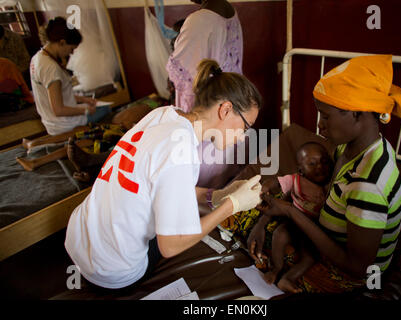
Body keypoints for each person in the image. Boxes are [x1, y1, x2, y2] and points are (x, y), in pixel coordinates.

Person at [64, 59, 263, 291]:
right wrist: (230, 205)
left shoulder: (163, 115)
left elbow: (162, 184)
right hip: (111, 270)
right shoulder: (182, 153)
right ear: (226, 109)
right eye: (246, 127)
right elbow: (170, 246)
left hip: (78, 238)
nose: (242, 137)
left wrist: (216, 195)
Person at [247, 55, 401, 294]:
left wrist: (287, 212)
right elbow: (317, 191)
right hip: (326, 235)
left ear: (358, 114)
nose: (319, 125)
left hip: (349, 275)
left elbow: (358, 268)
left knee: (245, 226)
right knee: (255, 217)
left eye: (325, 116)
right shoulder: (348, 148)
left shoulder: (368, 184)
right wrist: (269, 217)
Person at [220, 142, 332, 287]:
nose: (319, 167)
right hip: (291, 224)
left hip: (311, 230)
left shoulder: (329, 187)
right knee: (279, 235)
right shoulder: (296, 180)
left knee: (310, 257)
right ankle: (276, 269)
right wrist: (264, 188)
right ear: (301, 169)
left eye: (324, 162)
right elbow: (276, 182)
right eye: (312, 163)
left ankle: (288, 279)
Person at [166, 0, 244, 189]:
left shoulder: (199, 21)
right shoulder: (230, 13)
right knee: (216, 181)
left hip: (202, 119)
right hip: (227, 113)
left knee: (194, 185)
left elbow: (185, 77)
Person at [16, 103, 155, 183]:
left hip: (115, 133)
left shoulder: (149, 115)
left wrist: (126, 125)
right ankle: (35, 143)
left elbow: (126, 125)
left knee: (81, 142)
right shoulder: (145, 109)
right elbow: (118, 119)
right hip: (110, 128)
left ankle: (36, 162)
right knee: (78, 131)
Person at [29, 17, 110, 137]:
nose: (71, 53)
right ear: (61, 42)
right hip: (65, 125)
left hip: (51, 122)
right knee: (106, 109)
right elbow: (59, 110)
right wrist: (86, 110)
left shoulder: (37, 58)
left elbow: (56, 95)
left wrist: (84, 100)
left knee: (94, 105)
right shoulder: (51, 69)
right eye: (71, 49)